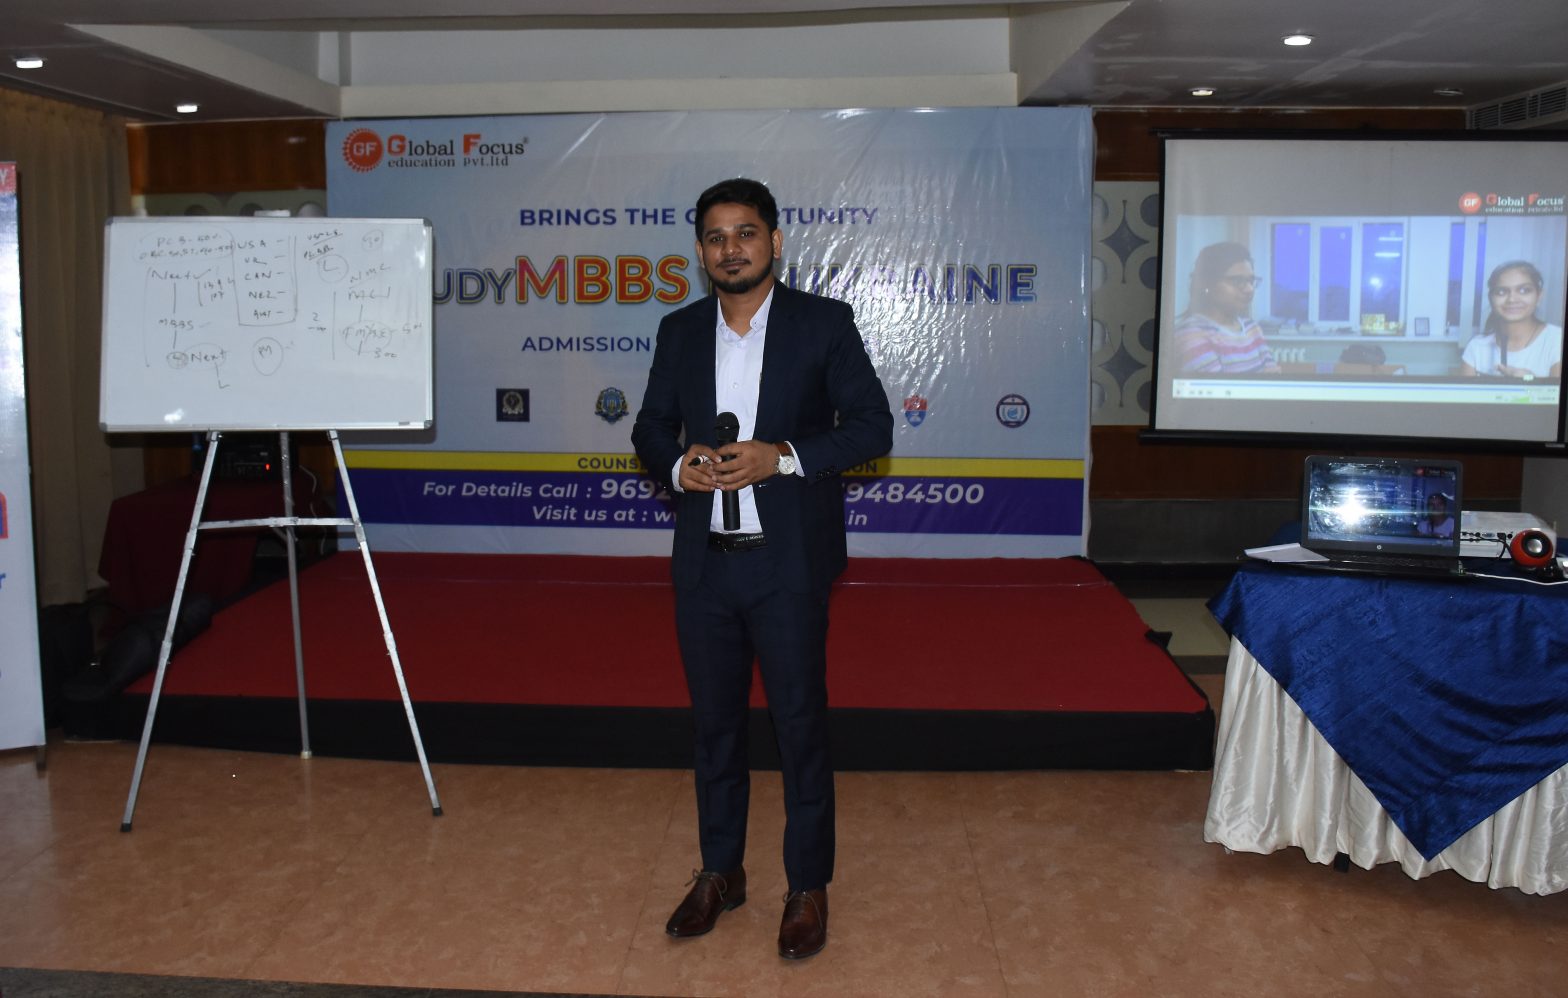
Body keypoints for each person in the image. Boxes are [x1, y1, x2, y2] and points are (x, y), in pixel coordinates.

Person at [630, 178, 893, 960]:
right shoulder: (680, 330)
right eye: (715, 237)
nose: (731, 249)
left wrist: (783, 456)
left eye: (745, 233)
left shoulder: (824, 323)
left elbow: (872, 427)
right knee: (714, 730)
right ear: (700, 251)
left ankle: (807, 885)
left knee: (799, 729)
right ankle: (721, 871)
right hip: (704, 568)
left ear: (774, 242)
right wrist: (678, 467)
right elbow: (649, 428)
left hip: (788, 567)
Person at [1172, 241, 1281, 374]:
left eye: (1251, 281)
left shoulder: (1251, 328)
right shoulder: (1190, 335)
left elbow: (1273, 375)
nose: (1249, 289)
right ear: (1208, 284)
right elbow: (1217, 387)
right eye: (1237, 281)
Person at [1461, 260, 1563, 379]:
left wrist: (1530, 379)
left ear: (1539, 296)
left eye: (1524, 290)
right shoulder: (1477, 346)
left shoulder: (1557, 340)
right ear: (1491, 299)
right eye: (1501, 292)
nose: (1512, 299)